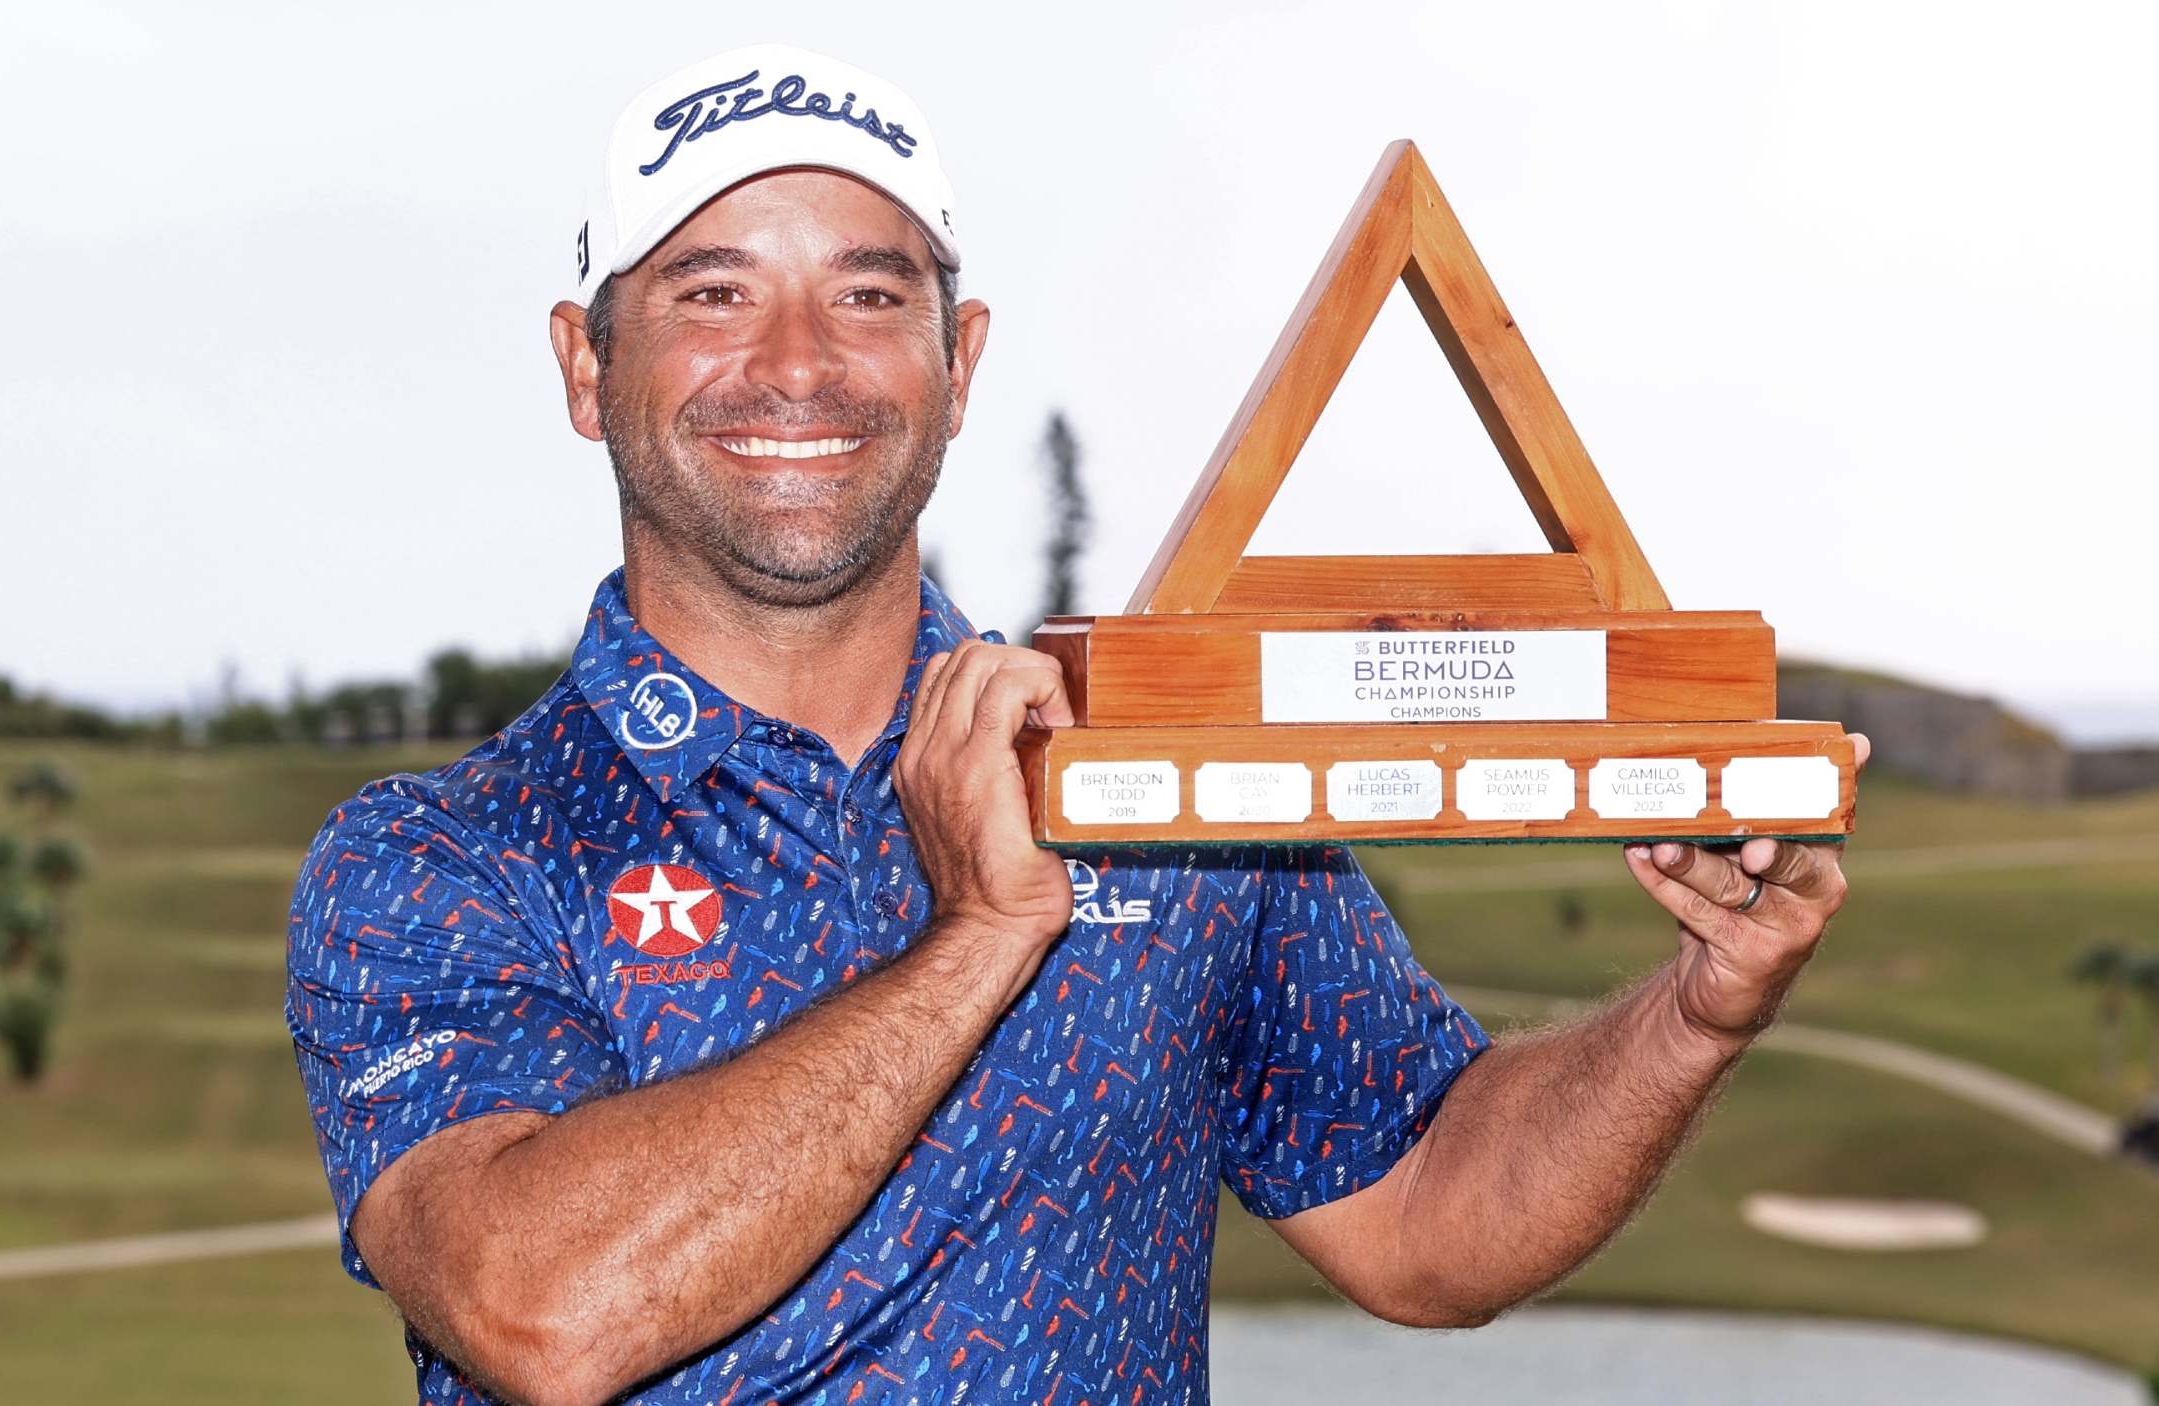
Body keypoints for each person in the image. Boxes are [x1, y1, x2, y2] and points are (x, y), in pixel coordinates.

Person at [287, 44, 1862, 1406]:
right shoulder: (439, 854)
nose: (799, 364)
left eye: (870, 292)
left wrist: (1691, 1017)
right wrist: (981, 934)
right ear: (587, 364)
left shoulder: (1158, 782)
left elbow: (1428, 1219)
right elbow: (541, 1312)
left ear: (958, 365)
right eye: (713, 293)